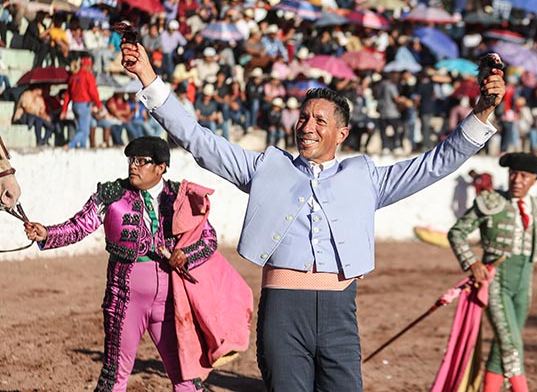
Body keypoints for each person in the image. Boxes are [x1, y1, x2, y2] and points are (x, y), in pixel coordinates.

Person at [121, 41, 505, 392]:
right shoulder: (265, 166)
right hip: (283, 313)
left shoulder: (366, 177)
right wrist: (148, 78)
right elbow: (198, 140)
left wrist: (482, 111)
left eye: (320, 121)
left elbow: (435, 163)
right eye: (304, 118)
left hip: (340, 313)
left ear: (341, 134)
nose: (307, 126)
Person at [23, 136, 216, 392]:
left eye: (141, 161)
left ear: (161, 167)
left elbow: (209, 239)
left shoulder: (180, 197)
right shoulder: (112, 194)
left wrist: (186, 255)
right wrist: (47, 234)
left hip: (171, 302)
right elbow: (79, 226)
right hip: (125, 298)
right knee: (114, 376)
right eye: (131, 160)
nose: (133, 166)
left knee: (187, 378)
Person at [448, 152, 537, 392]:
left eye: (524, 176)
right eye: (513, 174)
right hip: (497, 283)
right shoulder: (491, 202)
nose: (517, 180)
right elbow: (457, 232)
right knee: (511, 344)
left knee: (503, 345)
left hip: (524, 289)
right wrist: (472, 262)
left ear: (534, 180)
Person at [62, 56, 103, 149]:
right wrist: (99, 104)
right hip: (84, 105)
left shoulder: (73, 77)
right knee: (84, 130)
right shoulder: (88, 76)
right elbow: (93, 92)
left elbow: (68, 95)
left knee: (80, 127)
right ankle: (70, 145)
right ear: (88, 66)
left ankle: (83, 147)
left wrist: (64, 110)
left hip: (75, 105)